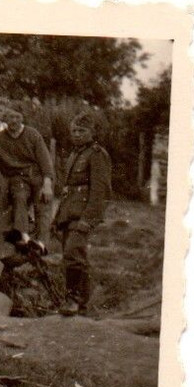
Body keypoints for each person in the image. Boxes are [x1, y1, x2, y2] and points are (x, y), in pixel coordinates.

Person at [53, 110, 111, 316]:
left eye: (82, 131)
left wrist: (88, 219)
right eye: (74, 131)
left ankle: (72, 300)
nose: (77, 134)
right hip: (69, 213)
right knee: (77, 257)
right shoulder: (75, 154)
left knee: (72, 254)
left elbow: (99, 191)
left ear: (92, 132)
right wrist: (58, 217)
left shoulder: (96, 154)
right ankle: (83, 308)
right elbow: (68, 189)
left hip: (83, 215)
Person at [0, 101, 55, 252]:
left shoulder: (33, 135)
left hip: (37, 176)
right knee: (19, 197)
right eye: (9, 117)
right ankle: (25, 238)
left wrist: (47, 184)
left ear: (22, 118)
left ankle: (41, 244)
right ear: (5, 119)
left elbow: (45, 162)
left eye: (17, 117)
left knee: (42, 205)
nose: (13, 121)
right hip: (18, 178)